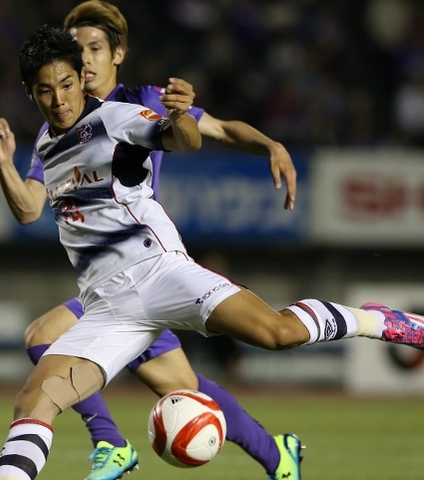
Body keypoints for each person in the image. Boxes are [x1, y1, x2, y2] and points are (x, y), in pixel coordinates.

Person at [0, 25, 424, 480]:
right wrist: (4, 163)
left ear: (81, 78)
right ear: (29, 92)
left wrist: (180, 116)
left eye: (66, 85)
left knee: (278, 333)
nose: (59, 100)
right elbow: (27, 209)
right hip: (107, 308)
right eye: (45, 91)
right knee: (33, 401)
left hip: (160, 273)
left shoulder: (115, 118)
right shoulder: (45, 144)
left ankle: (372, 320)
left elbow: (184, 140)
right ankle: (110, 446)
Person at [22, 2, 302, 480]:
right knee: (184, 386)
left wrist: (271, 145)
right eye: (76, 49)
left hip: (152, 265)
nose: (84, 59)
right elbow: (30, 202)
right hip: (107, 282)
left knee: (44, 335)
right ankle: (278, 456)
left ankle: (110, 444)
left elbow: (217, 129)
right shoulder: (57, 130)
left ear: (118, 54)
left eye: (94, 48)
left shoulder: (143, 100)